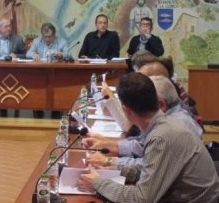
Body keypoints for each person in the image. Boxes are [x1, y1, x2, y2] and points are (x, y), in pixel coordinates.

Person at [78, 73, 219, 202]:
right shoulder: (166, 123)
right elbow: (149, 167)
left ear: (126, 111)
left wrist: (98, 182)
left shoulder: (162, 137)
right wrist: (112, 166)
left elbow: (141, 200)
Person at [84, 75, 204, 169]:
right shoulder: (165, 116)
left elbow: (147, 167)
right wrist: (106, 144)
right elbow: (141, 146)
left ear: (162, 104)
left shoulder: (175, 124)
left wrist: (108, 161)